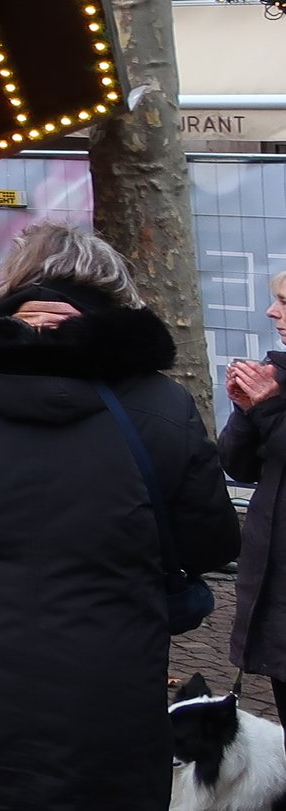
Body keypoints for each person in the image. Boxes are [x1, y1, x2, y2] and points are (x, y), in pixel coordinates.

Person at [0, 223, 238, 811]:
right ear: (118, 295)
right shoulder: (162, 403)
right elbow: (209, 542)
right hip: (100, 692)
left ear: (14, 287)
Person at [221, 268, 286, 720]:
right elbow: (238, 466)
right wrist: (246, 411)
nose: (271, 311)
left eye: (284, 301)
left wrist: (268, 408)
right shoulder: (277, 375)